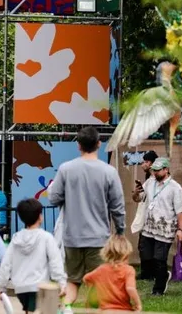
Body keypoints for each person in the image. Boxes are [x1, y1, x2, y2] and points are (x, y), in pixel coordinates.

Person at [47, 126, 126, 308]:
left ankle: (62, 310)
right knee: (99, 286)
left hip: (72, 239)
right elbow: (118, 206)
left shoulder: (66, 169)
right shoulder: (109, 172)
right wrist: (120, 230)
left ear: (78, 145)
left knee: (72, 283)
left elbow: (53, 198)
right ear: (99, 144)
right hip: (98, 239)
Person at [0, 199, 67, 314]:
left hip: (20, 287)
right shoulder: (46, 237)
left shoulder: (16, 239)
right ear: (40, 217)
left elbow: (6, 264)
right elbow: (55, 262)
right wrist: (62, 283)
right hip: (40, 285)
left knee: (29, 310)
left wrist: (2, 287)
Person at [137, 157, 182, 295]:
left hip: (166, 229)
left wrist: (180, 230)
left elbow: (181, 210)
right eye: (154, 170)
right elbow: (138, 199)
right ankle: (163, 275)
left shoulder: (175, 188)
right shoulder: (150, 182)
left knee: (159, 259)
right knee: (147, 256)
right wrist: (136, 192)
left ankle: (158, 289)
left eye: (158, 171)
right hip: (148, 228)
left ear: (166, 169)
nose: (155, 173)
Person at [82, 236, 142, 312]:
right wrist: (138, 304)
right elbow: (130, 288)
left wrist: (96, 286)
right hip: (123, 311)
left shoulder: (101, 269)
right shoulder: (128, 270)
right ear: (126, 254)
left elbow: (86, 279)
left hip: (105, 311)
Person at [132, 150, 159, 281]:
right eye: (143, 162)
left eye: (146, 162)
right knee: (143, 246)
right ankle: (146, 272)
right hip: (145, 218)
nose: (143, 164)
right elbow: (139, 198)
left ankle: (151, 272)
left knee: (151, 245)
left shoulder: (159, 180)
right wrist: (136, 192)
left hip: (156, 219)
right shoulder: (148, 180)